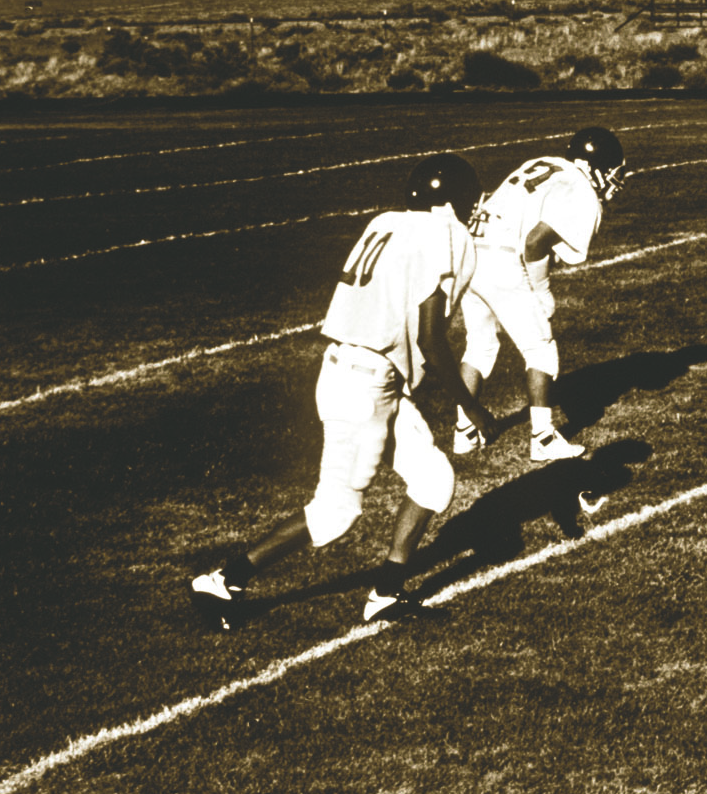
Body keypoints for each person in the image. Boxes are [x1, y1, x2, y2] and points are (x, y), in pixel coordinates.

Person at [188, 155, 495, 629]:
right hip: (364, 382)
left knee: (434, 478)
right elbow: (432, 338)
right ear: (451, 200)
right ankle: (224, 580)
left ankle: (386, 596)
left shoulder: (387, 221)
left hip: (364, 372)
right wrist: (472, 406)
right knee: (335, 510)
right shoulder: (443, 233)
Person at [455, 127, 629, 465]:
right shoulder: (582, 190)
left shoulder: (545, 162)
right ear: (596, 166)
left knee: (480, 344)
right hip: (503, 259)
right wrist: (541, 290)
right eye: (612, 171)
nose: (614, 179)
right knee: (541, 348)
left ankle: (463, 432)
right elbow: (535, 242)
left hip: (472, 251)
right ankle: (543, 437)